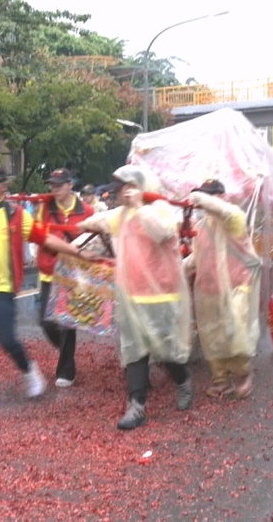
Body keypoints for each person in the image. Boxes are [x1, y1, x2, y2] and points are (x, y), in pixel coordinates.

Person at [0, 164, 90, 412]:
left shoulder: (16, 215)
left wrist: (76, 251)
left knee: (9, 339)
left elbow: (44, 237)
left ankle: (27, 368)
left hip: (1, 290)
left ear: (3, 186)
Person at [78, 165, 194, 430]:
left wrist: (140, 206)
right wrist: (76, 227)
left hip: (161, 296)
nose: (118, 194)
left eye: (122, 188)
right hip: (132, 297)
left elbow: (163, 233)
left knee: (164, 353)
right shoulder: (121, 215)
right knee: (135, 353)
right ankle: (136, 405)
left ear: (135, 188)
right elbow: (99, 221)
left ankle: (183, 380)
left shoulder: (160, 209)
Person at [183, 179, 260, 399]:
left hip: (237, 286)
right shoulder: (202, 227)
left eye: (211, 196)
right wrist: (175, 271)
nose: (206, 202)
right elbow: (197, 258)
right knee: (212, 336)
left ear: (222, 196)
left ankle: (243, 375)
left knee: (234, 332)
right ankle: (220, 381)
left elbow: (225, 212)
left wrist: (200, 198)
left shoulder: (234, 217)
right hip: (209, 289)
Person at [36, 168, 94, 388]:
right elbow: (38, 232)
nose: (55, 189)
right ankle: (66, 351)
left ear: (71, 185)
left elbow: (91, 239)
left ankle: (66, 370)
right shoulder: (45, 207)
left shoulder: (87, 210)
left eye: (59, 185)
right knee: (45, 321)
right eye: (52, 185)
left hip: (72, 273)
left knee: (68, 322)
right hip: (49, 270)